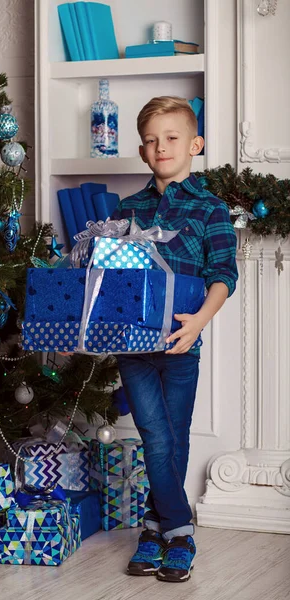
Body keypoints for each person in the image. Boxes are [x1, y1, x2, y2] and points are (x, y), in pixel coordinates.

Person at [109, 96, 238, 583]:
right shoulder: (127, 209)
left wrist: (199, 322)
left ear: (194, 144)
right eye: (151, 140)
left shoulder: (210, 209)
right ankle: (179, 533)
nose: (161, 147)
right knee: (156, 437)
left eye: (171, 137)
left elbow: (223, 273)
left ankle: (152, 528)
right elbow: (113, 279)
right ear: (142, 152)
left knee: (173, 439)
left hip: (182, 345)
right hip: (134, 347)